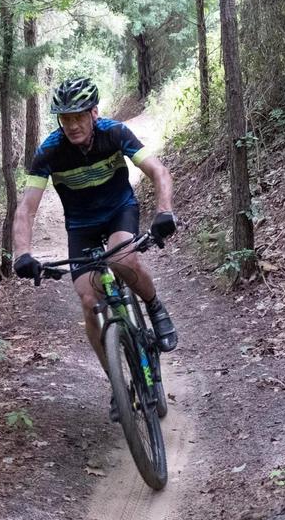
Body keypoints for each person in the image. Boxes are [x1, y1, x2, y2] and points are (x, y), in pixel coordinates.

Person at [12, 76, 178, 419]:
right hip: (81, 226)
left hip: (119, 211)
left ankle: (155, 306)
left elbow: (158, 171)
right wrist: (22, 254)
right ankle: (118, 384)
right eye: (65, 118)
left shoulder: (115, 133)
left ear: (93, 113)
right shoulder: (49, 152)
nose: (72, 125)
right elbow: (27, 208)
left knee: (122, 258)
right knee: (89, 300)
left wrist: (165, 212)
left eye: (79, 117)